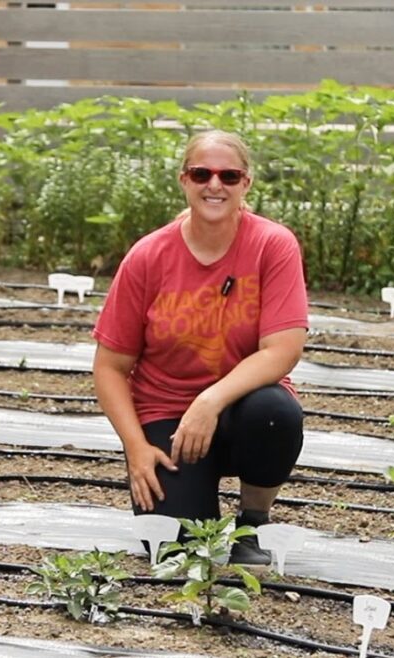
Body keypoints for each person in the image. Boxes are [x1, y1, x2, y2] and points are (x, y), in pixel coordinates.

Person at [91, 130, 308, 565]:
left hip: (240, 410)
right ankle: (192, 495)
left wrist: (209, 400)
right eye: (201, 173)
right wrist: (136, 447)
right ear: (184, 180)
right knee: (178, 552)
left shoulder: (272, 244)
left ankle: (253, 522)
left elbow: (283, 351)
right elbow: (110, 366)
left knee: (275, 415)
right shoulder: (148, 256)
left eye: (229, 176)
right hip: (167, 418)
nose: (215, 185)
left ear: (246, 184)